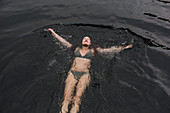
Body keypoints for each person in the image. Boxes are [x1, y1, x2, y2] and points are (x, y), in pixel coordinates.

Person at [48, 28, 133, 113]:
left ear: (90, 43)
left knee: (77, 98)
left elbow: (110, 50)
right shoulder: (74, 48)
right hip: (72, 73)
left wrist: (124, 47)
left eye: (88, 39)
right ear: (81, 42)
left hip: (84, 75)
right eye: (84, 38)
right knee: (67, 97)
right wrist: (53, 32)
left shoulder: (94, 51)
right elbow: (63, 41)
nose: (86, 39)